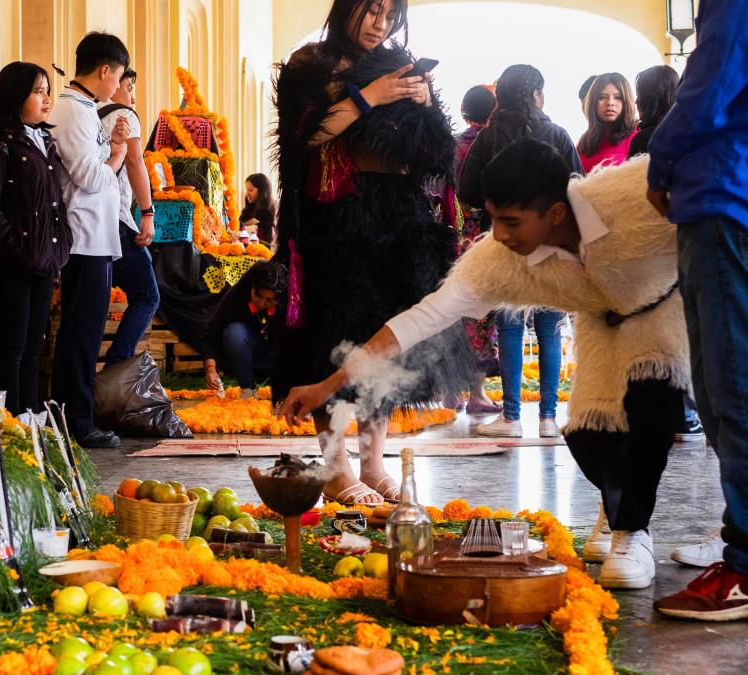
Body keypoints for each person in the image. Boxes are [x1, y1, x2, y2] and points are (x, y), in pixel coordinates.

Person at [282, 139, 690, 590]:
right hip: (601, 321)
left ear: (555, 213)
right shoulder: (499, 260)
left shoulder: (634, 194)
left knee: (652, 409)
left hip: (664, 308)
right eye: (493, 219)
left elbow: (713, 184)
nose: (498, 235)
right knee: (592, 436)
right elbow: (424, 317)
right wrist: (330, 384)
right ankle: (614, 509)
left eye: (511, 221)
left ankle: (633, 532)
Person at [273, 0, 467, 505]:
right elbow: (306, 138)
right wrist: (370, 96)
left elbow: (435, 153)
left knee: (387, 341)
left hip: (399, 219)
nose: (381, 23)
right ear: (347, 8)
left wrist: (423, 104)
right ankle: (336, 467)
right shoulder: (310, 64)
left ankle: (374, 462)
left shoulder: (398, 61)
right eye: (372, 10)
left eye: (389, 14)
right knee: (334, 338)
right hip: (336, 220)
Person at [647, 0, 748, 621]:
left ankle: (744, 567)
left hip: (724, 195)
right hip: (729, 195)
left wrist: (660, 158)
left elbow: (709, 89)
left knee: (729, 388)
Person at [459, 64, 582, 439]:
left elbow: (465, 192)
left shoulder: (487, 137)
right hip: (550, 242)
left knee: (509, 326)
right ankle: (547, 418)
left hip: (504, 242)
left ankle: (511, 418)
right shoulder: (557, 134)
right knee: (549, 327)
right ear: (537, 95)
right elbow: (578, 186)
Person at [0, 62, 71, 415]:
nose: (45, 99)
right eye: (37, 91)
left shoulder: (43, 140)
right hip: (11, 264)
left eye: (46, 91)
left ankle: (30, 421)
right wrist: (17, 250)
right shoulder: (0, 142)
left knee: (33, 346)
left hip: (42, 259)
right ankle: (9, 422)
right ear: (15, 96)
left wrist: (57, 245)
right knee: (12, 346)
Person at [49, 32, 131, 448]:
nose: (118, 88)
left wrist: (112, 148)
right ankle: (77, 420)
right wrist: (116, 155)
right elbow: (89, 176)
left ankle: (74, 412)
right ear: (104, 71)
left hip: (94, 237)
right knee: (82, 333)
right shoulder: (74, 112)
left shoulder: (83, 109)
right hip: (83, 239)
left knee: (84, 330)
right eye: (118, 79)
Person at [626, 64, 705, 446]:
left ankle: (677, 412)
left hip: (650, 244)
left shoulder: (645, 140)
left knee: (660, 331)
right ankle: (691, 411)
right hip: (685, 236)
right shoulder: (689, 133)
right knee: (685, 328)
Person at [98, 68, 160, 367]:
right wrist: (147, 213)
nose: (132, 96)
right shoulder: (123, 116)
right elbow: (135, 163)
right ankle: (115, 367)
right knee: (147, 295)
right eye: (129, 86)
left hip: (88, 222)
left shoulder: (86, 113)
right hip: (118, 221)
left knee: (91, 305)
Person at [453, 84, 501, 415]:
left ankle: (449, 392)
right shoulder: (492, 142)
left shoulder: (452, 144)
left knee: (452, 312)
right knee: (481, 315)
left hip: (452, 237)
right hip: (483, 237)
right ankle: (477, 394)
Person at [202, 261, 287, 398]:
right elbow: (210, 335)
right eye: (258, 295)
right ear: (251, 287)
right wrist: (211, 369)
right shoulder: (238, 294)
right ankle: (248, 390)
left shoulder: (291, 302)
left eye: (269, 301)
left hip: (284, 355)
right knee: (234, 333)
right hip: (253, 353)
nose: (261, 303)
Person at [577, 72, 638, 174]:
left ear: (627, 101)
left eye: (618, 97)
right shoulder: (584, 142)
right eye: (602, 97)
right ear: (593, 102)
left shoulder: (638, 136)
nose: (610, 103)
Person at [239, 174, 277, 246]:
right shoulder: (247, 210)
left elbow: (270, 241)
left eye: (251, 190)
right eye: (246, 190)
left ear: (262, 191)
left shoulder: (271, 211)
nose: (247, 194)